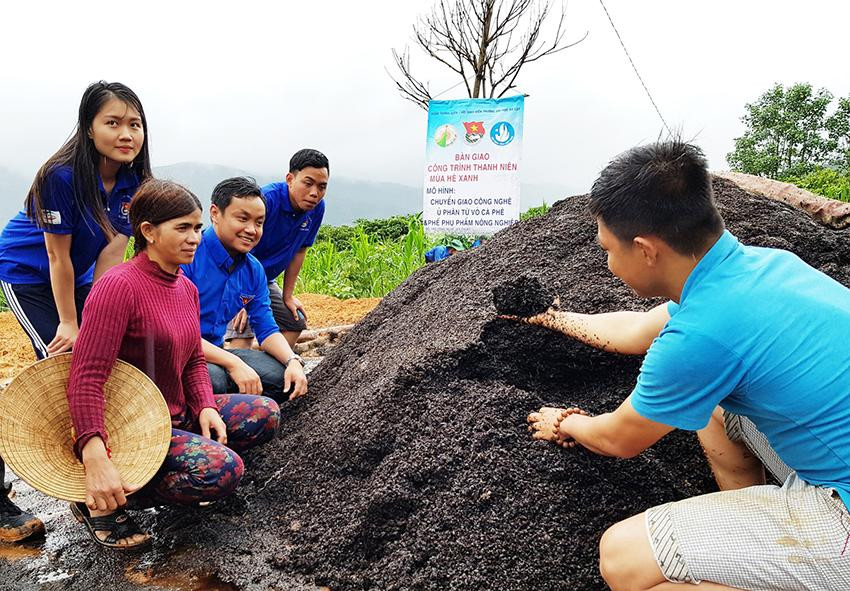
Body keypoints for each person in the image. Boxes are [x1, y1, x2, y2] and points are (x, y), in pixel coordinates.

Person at [521, 140, 850, 591]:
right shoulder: (762, 266)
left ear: (646, 249)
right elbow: (637, 330)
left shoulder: (701, 335)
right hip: (835, 454)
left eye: (610, 250)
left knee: (624, 559)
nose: (609, 264)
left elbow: (619, 438)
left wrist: (566, 422)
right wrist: (551, 318)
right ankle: (754, 536)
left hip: (843, 514)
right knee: (716, 410)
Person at [66, 179, 281, 550]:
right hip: (132, 430)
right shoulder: (119, 286)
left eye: (197, 228)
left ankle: (158, 474)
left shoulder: (184, 286)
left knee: (264, 413)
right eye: (182, 228)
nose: (194, 237)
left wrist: (207, 407)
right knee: (224, 470)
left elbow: (194, 359)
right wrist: (94, 453)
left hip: (174, 416)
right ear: (148, 231)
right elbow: (86, 375)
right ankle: (105, 499)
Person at [0, 81, 151, 543]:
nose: (126, 134)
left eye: (135, 124)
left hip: (82, 275)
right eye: (113, 122)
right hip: (29, 275)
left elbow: (111, 253)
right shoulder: (61, 176)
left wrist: (99, 317)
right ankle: (80, 497)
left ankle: (94, 486)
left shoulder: (133, 182)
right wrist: (70, 322)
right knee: (61, 368)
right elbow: (56, 258)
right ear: (88, 128)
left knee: (103, 360)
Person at [181, 177, 308, 403]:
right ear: (215, 213)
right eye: (242, 219)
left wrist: (293, 361)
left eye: (259, 222)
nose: (251, 230)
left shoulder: (253, 270)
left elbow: (266, 328)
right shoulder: (188, 255)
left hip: (218, 353)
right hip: (182, 355)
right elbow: (179, 333)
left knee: (283, 378)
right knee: (215, 380)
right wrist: (234, 363)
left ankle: (231, 403)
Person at [226, 149, 329, 350]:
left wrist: (288, 295)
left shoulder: (317, 209)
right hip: (236, 275)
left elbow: (300, 251)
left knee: (294, 322)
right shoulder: (267, 200)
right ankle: (234, 376)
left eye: (322, 186)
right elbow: (235, 247)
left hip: (265, 280)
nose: (314, 193)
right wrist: (241, 295)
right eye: (307, 183)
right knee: (242, 331)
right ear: (290, 179)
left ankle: (265, 374)